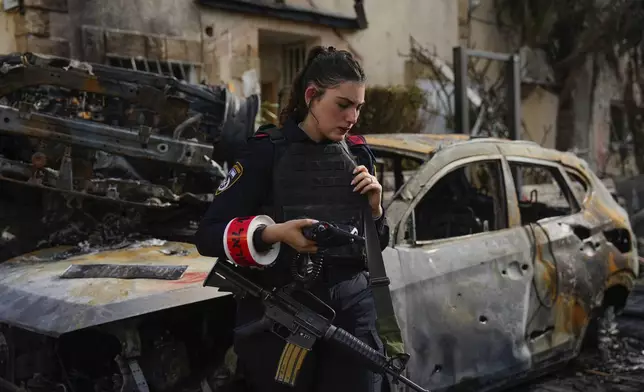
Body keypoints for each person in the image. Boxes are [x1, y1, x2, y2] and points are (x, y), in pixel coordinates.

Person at [195, 45, 390, 392]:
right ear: (312, 95)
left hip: (352, 316)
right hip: (282, 312)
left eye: (358, 107)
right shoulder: (265, 151)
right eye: (342, 105)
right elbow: (208, 235)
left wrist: (374, 211)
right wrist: (275, 233)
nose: (352, 117)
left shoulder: (359, 153)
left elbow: (374, 251)